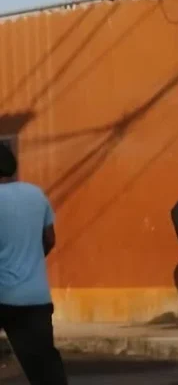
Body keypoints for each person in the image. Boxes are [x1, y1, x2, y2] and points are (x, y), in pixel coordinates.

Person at [0, 143, 68, 384]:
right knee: (45, 367)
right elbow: (50, 238)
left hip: (3, 295)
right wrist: (31, 258)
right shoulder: (36, 194)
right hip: (36, 297)